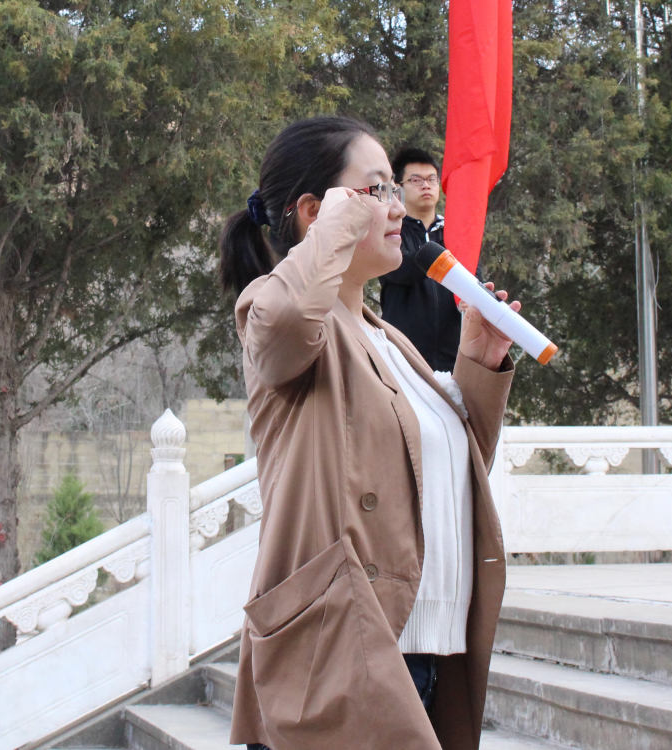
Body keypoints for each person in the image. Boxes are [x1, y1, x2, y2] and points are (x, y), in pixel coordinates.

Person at [219, 116, 520, 750]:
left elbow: (442, 482)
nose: (398, 207)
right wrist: (330, 228)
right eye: (377, 189)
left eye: (394, 190)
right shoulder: (280, 316)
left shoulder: (390, 341)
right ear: (315, 212)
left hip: (426, 652)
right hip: (340, 657)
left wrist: (478, 361)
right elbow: (286, 321)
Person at [379, 147, 467, 372]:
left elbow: (473, 279)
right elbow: (398, 270)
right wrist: (436, 257)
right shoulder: (390, 230)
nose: (426, 185)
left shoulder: (456, 233)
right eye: (416, 180)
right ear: (397, 188)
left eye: (432, 179)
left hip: (454, 361)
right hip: (402, 358)